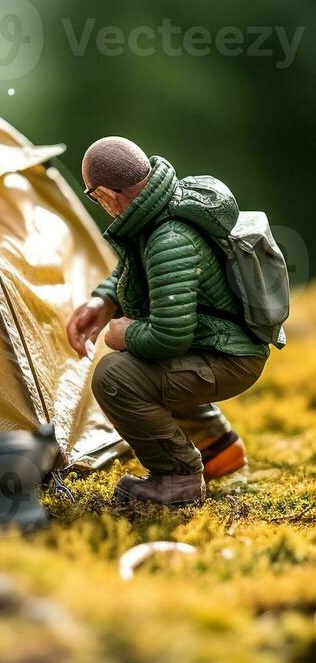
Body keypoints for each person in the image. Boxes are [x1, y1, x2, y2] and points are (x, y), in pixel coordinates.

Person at [67, 136, 269, 505]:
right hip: (218, 340)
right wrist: (104, 301)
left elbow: (170, 336)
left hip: (232, 357)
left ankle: (177, 476)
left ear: (108, 195)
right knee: (139, 365)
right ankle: (217, 446)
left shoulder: (168, 236)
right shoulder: (156, 208)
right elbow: (139, 270)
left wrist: (122, 334)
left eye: (93, 196)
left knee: (116, 376)